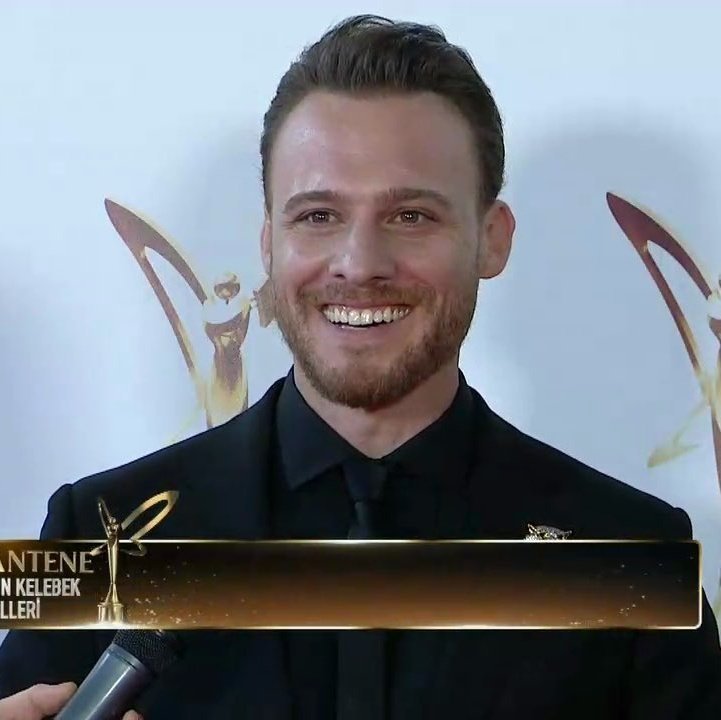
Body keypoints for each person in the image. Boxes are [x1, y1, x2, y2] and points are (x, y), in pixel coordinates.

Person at [0, 14, 720, 720]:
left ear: (491, 239)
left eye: (411, 216)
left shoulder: (632, 555)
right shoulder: (97, 535)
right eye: (318, 216)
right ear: (268, 242)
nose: (359, 263)